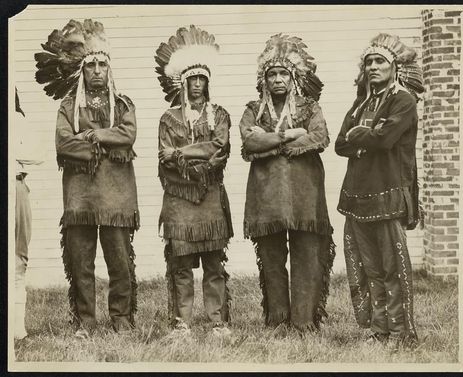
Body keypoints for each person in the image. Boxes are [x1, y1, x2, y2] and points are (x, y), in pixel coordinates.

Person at [35, 19, 140, 338]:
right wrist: (98, 141)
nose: (96, 70)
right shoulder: (69, 105)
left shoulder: (122, 104)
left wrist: (94, 134)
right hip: (80, 196)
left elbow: (129, 134)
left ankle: (121, 317)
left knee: (119, 260)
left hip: (117, 196)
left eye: (102, 65)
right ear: (82, 70)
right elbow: (63, 142)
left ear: (110, 70)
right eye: (91, 64)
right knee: (81, 262)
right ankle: (86, 320)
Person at [239, 34, 336, 333]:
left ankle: (304, 321)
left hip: (305, 195)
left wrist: (268, 143)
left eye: (283, 73)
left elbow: (319, 137)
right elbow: (248, 141)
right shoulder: (254, 109)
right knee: (271, 257)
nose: (278, 79)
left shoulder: (310, 106)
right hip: (266, 196)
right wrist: (288, 136)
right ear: (264, 80)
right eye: (272, 74)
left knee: (307, 255)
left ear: (294, 77)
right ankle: (278, 320)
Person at [335, 33, 424, 349]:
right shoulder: (362, 103)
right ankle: (378, 330)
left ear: (394, 67)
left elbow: (385, 140)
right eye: (368, 62)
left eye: (380, 61)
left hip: (388, 193)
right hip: (357, 197)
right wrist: (366, 136)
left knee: (391, 268)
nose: (372, 67)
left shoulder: (403, 101)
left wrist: (364, 137)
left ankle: (400, 332)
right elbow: (340, 144)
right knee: (369, 267)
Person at [154, 25, 233, 336]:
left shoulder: (220, 115)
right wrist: (185, 159)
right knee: (181, 265)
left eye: (202, 78)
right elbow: (164, 157)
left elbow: (219, 149)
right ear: (182, 82)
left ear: (208, 82)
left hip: (211, 198)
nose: (197, 84)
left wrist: (181, 153)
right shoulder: (168, 118)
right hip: (179, 201)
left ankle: (218, 322)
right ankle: (181, 322)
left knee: (214, 264)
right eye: (192, 79)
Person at [14, 88, 44, 340]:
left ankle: (17, 329)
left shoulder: (17, 119)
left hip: (15, 186)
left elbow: (37, 154)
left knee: (18, 257)